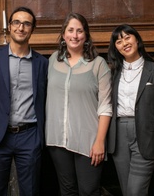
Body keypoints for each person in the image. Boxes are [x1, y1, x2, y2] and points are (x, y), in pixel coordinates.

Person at [0, 6, 48, 196]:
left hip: (30, 136)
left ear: (32, 29)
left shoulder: (42, 63)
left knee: (31, 191)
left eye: (26, 24)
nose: (21, 27)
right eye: (16, 22)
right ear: (9, 26)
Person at [45, 12, 112, 196]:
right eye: (71, 30)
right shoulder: (52, 61)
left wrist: (99, 142)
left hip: (89, 140)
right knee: (67, 191)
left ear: (86, 36)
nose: (75, 35)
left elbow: (106, 106)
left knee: (89, 190)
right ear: (64, 34)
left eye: (80, 31)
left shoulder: (99, 65)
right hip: (57, 140)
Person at [107, 24, 154, 196]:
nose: (124, 43)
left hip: (145, 136)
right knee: (126, 190)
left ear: (137, 39)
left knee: (135, 192)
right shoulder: (112, 73)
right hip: (118, 136)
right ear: (116, 47)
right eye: (119, 41)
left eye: (127, 37)